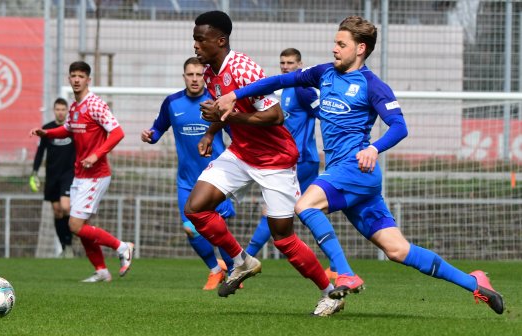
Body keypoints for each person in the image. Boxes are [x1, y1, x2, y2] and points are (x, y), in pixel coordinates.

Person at [216, 16, 504, 315]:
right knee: (397, 250)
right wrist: (235, 94)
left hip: (355, 169)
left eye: (342, 44)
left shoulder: (372, 85)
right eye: (335, 43)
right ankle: (475, 283)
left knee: (305, 206)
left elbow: (398, 126)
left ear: (361, 49)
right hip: (350, 177)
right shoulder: (323, 73)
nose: (334, 49)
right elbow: (279, 81)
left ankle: (344, 273)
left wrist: (374, 147)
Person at [184, 10, 343, 316]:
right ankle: (241, 260)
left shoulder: (243, 69)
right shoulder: (208, 73)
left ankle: (330, 294)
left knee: (283, 239)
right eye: (194, 39)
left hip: (275, 160)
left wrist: (226, 117)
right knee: (195, 208)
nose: (195, 46)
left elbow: (275, 116)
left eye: (200, 40)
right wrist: (211, 131)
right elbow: (223, 109)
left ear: (220, 40)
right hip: (241, 153)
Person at [30, 61, 134, 283]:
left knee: (74, 225)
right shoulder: (75, 107)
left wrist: (97, 154)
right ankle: (102, 271)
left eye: (81, 76)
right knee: (81, 227)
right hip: (80, 175)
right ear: (69, 79)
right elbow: (67, 129)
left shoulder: (95, 104)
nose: (77, 80)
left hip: (97, 174)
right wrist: (46, 133)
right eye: (73, 76)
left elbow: (117, 133)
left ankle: (122, 246)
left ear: (88, 79)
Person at [141, 56, 235, 290]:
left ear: (204, 75)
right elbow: (158, 129)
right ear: (183, 76)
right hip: (186, 180)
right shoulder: (172, 103)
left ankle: (234, 272)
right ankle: (215, 270)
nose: (194, 79)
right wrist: (150, 136)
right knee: (190, 229)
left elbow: (236, 132)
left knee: (219, 229)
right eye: (190, 74)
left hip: (216, 179)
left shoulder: (216, 101)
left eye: (198, 74)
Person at [244, 48, 337, 281]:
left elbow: (325, 115)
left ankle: (244, 260)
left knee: (276, 211)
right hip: (287, 159)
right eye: (282, 62)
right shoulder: (283, 90)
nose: (286, 66)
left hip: (301, 160)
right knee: (304, 209)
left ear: (300, 64)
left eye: (291, 63)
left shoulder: (303, 91)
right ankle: (336, 263)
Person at [30, 98, 75, 258]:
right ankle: (65, 247)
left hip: (68, 174)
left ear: (67, 111)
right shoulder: (47, 129)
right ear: (54, 110)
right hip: (52, 175)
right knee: (57, 212)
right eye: (58, 109)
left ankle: (69, 243)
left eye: (63, 109)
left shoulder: (72, 129)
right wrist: (34, 171)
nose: (61, 112)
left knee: (65, 206)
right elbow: (40, 152)